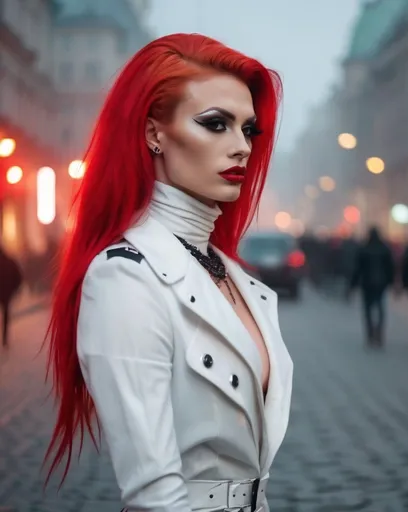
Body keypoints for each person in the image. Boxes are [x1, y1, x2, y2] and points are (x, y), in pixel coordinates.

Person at [43, 34, 293, 512]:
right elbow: (153, 494)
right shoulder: (125, 279)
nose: (241, 147)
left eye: (248, 130)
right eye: (215, 124)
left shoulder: (234, 277)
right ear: (154, 133)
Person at [349, 227, 394, 347]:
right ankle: (379, 333)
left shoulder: (364, 249)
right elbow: (390, 268)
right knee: (380, 308)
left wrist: (352, 285)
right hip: (381, 283)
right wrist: (391, 282)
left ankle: (370, 334)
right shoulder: (384, 249)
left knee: (368, 310)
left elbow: (357, 269)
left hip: (367, 284)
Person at [0, 247, 23, 347]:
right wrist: (14, 289)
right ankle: (4, 338)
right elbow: (18, 277)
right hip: (6, 293)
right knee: (6, 315)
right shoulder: (10, 261)